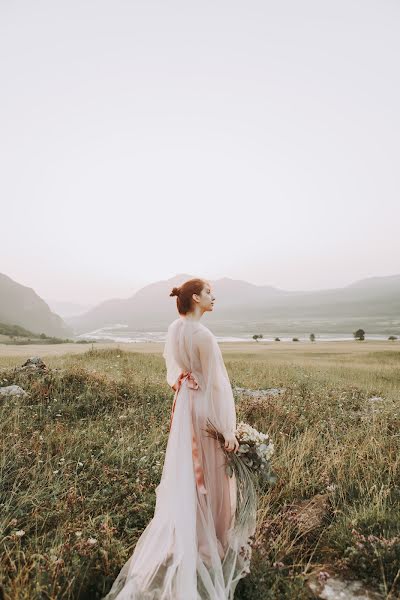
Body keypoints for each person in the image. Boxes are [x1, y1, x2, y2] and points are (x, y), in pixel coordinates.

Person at [103, 278, 256, 600]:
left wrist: (186, 388)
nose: (215, 297)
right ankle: (211, 539)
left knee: (191, 467)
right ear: (196, 298)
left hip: (187, 404)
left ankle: (197, 531)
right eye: (210, 293)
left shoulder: (176, 328)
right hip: (204, 408)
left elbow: (174, 372)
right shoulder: (202, 335)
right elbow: (217, 384)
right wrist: (228, 428)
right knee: (212, 470)